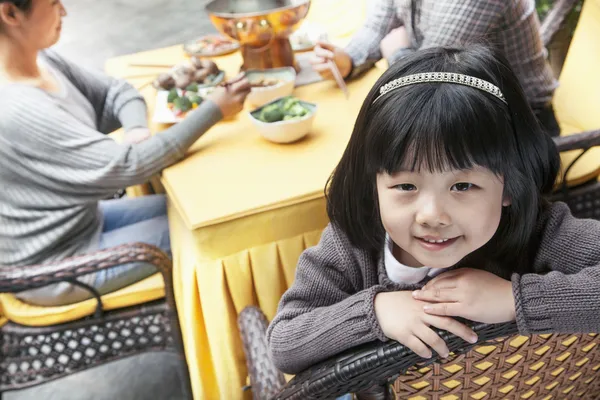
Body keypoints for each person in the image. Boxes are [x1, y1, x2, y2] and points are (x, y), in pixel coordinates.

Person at [267, 44, 600, 376]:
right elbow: (284, 342)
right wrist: (375, 311)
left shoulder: (541, 232)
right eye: (406, 187)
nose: (431, 215)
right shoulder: (352, 248)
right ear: (373, 185)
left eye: (463, 186)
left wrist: (515, 300)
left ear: (510, 185)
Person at [0, 0, 250, 306]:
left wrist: (136, 132)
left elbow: (118, 92)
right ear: (10, 13)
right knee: (213, 232)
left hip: (84, 222)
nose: (64, 11)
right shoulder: (15, 108)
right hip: (54, 267)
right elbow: (128, 166)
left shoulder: (43, 60)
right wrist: (215, 109)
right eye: (53, 3)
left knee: (206, 208)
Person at [310, 0, 560, 137]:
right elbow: (377, 27)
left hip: (517, 125)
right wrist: (349, 59)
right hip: (457, 104)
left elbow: (429, 81)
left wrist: (397, 53)